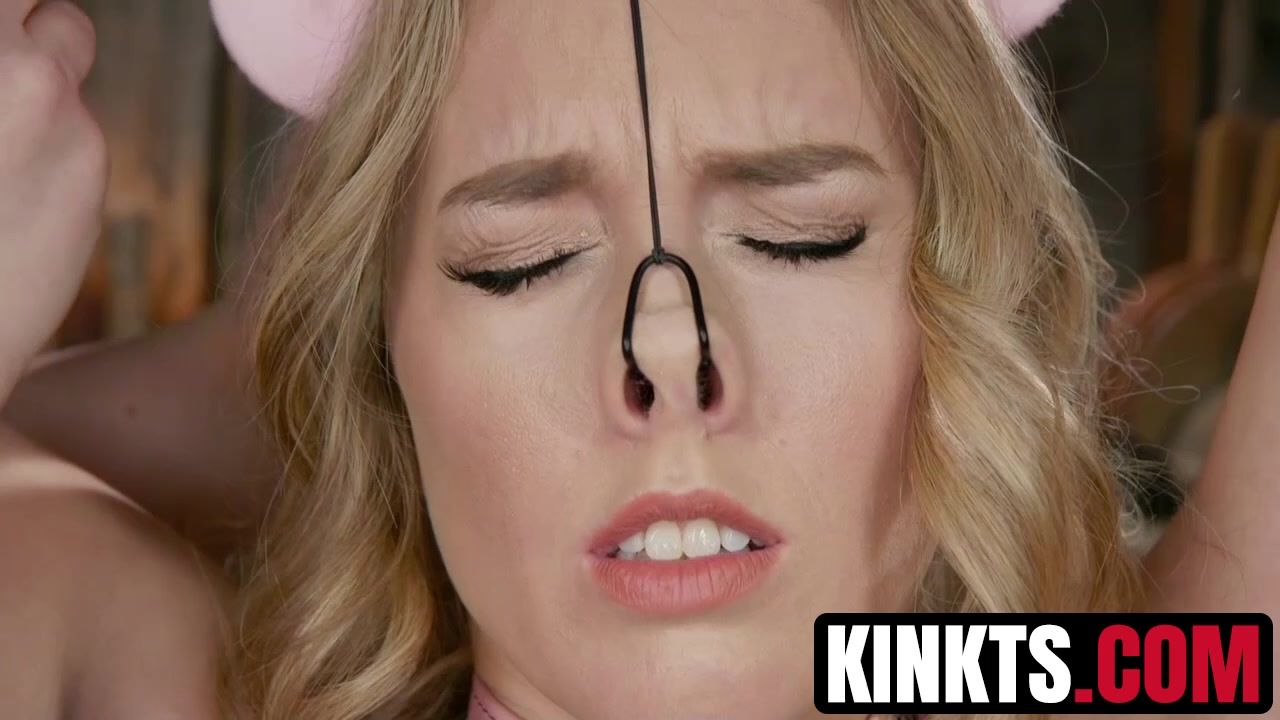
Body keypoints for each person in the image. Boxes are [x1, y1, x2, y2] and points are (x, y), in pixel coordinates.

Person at [0, 0, 1276, 718]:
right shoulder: (111, 643)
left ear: (961, 297)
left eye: (801, 236)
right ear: (384, 355)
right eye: (519, 260)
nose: (669, 351)